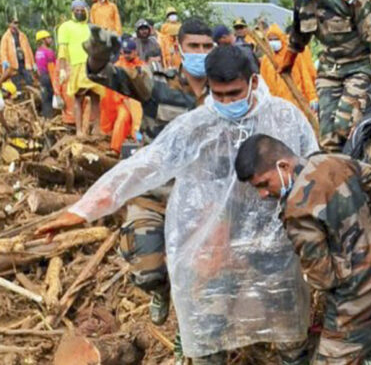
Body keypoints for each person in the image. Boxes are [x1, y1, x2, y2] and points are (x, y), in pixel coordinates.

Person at [37, 44, 318, 365]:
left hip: (273, 248)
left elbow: (312, 169)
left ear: (254, 82)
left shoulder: (285, 118)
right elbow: (144, 165)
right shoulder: (197, 124)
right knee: (208, 336)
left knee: (290, 337)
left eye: (234, 94)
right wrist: (80, 211)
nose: (226, 103)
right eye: (219, 94)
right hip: (214, 247)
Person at [84, 18, 213, 329]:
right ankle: (160, 290)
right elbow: (106, 76)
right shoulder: (157, 84)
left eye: (206, 46)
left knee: (206, 277)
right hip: (156, 194)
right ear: (179, 48)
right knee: (146, 272)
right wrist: (99, 55)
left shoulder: (223, 89)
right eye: (193, 46)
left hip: (203, 198)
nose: (200, 52)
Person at [235, 134, 371, 364]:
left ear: (283, 166)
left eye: (264, 184)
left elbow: (323, 278)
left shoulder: (296, 210)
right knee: (370, 352)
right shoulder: (331, 161)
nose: (263, 194)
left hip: (358, 297)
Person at [282, 0, 371, 152]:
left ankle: (359, 165)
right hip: (330, 69)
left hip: (359, 67)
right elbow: (298, 37)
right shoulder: (301, 1)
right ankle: (335, 174)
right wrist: (287, 62)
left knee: (344, 126)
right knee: (327, 137)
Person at [58, 0, 104, 135]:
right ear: (72, 12)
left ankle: (96, 128)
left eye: (81, 10)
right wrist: (62, 69)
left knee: (96, 97)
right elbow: (62, 49)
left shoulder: (92, 28)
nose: (79, 12)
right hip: (77, 67)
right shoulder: (65, 27)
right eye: (76, 10)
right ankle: (79, 131)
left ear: (86, 11)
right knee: (78, 98)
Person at [99, 37, 144, 154]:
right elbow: (121, 94)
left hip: (140, 100)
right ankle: (115, 148)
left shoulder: (141, 65)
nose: (126, 55)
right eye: (124, 52)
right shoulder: (118, 67)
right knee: (124, 117)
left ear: (135, 52)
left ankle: (144, 145)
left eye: (129, 52)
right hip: (121, 101)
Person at [261, 23, 318, 115]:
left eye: (276, 39)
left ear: (282, 39)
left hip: (297, 102)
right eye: (270, 40)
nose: (273, 42)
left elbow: (305, 77)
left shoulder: (292, 56)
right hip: (276, 106)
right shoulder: (266, 60)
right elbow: (264, 84)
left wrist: (312, 96)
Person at [0, 18, 35, 88]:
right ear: (9, 24)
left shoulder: (23, 36)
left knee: (29, 82)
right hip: (13, 66)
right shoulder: (6, 37)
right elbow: (3, 51)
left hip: (24, 64)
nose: (15, 25)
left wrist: (33, 63)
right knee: (17, 85)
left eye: (16, 23)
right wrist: (4, 61)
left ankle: (30, 96)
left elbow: (28, 50)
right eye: (14, 23)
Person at [34, 30, 56, 118]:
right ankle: (50, 118)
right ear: (43, 40)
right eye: (48, 38)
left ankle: (45, 118)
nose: (51, 40)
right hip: (48, 76)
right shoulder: (49, 52)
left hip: (42, 77)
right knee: (50, 98)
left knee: (45, 99)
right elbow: (52, 68)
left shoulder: (38, 52)